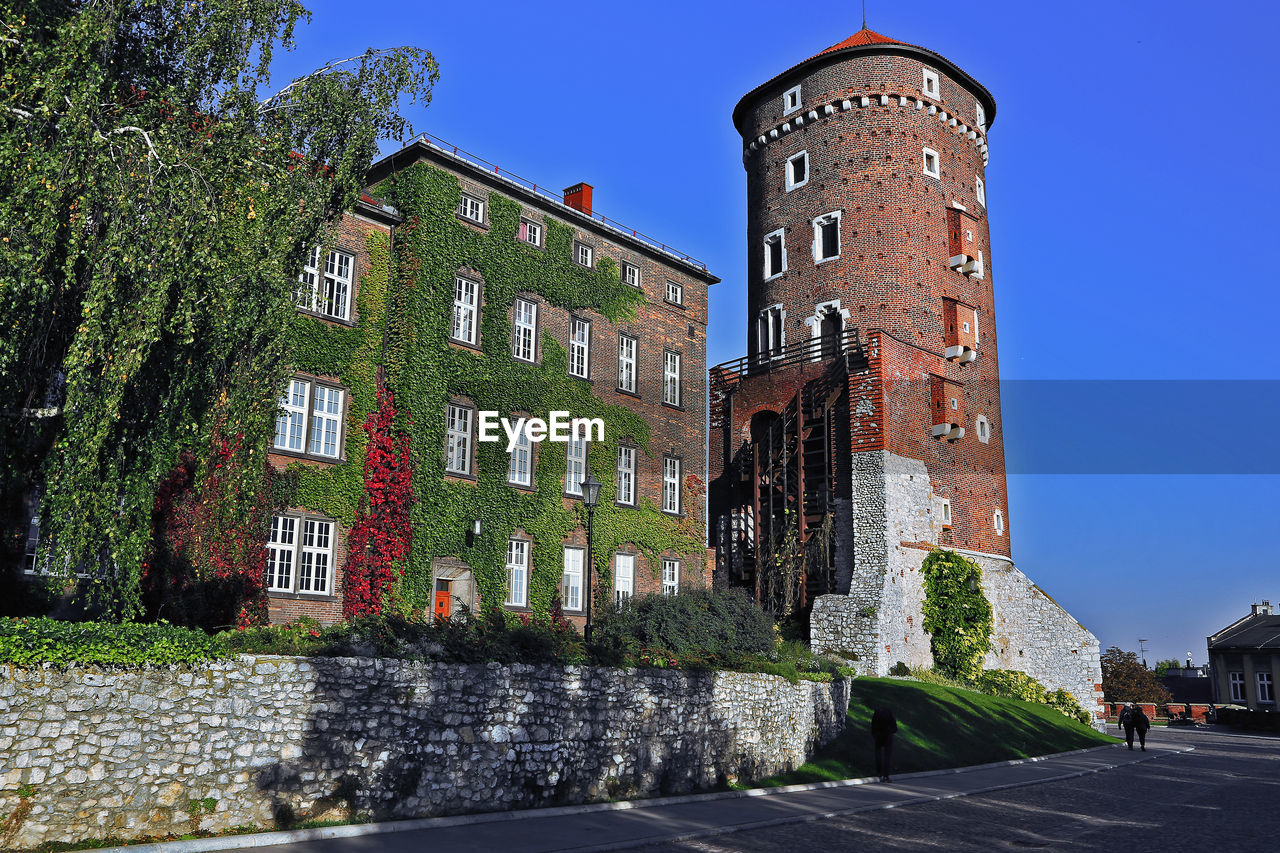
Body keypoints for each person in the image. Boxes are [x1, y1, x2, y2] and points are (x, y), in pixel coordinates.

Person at [871, 706, 897, 782]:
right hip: (888, 737)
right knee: (887, 757)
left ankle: (879, 773)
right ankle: (886, 776)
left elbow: (873, 726)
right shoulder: (889, 714)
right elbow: (895, 728)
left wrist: (874, 735)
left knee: (878, 754)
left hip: (879, 736)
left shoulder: (876, 714)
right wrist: (890, 731)